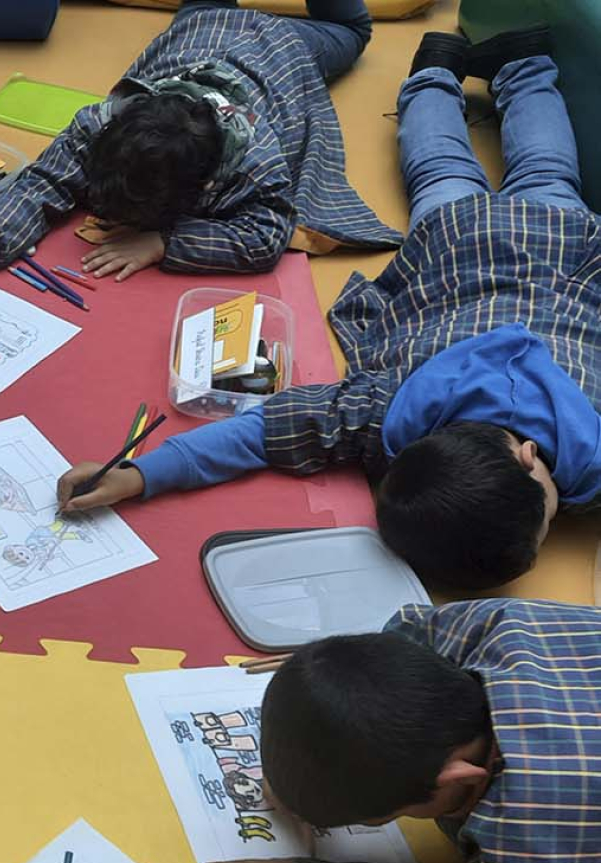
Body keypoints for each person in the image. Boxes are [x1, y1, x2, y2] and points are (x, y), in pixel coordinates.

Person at [54, 32, 599, 592]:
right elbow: (258, 434)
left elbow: (260, 433)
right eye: (548, 524)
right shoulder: (383, 413)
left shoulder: (386, 409)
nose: (552, 529)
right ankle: (460, 71)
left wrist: (141, 475)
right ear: (530, 456)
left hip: (503, 249)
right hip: (496, 255)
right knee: (462, 172)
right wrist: (140, 475)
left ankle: (495, 67)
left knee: (518, 173)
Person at [194, 599, 601, 863]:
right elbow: (407, 633)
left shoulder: (531, 833)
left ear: (457, 780)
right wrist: (324, 682)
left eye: (372, 819)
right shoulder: (493, 625)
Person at [0, 0, 397, 287]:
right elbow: (47, 179)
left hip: (282, 46)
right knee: (204, 6)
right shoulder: (102, 121)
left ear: (202, 187)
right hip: (202, 29)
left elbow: (265, 235)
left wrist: (162, 242)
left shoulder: (253, 162)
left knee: (352, 33)